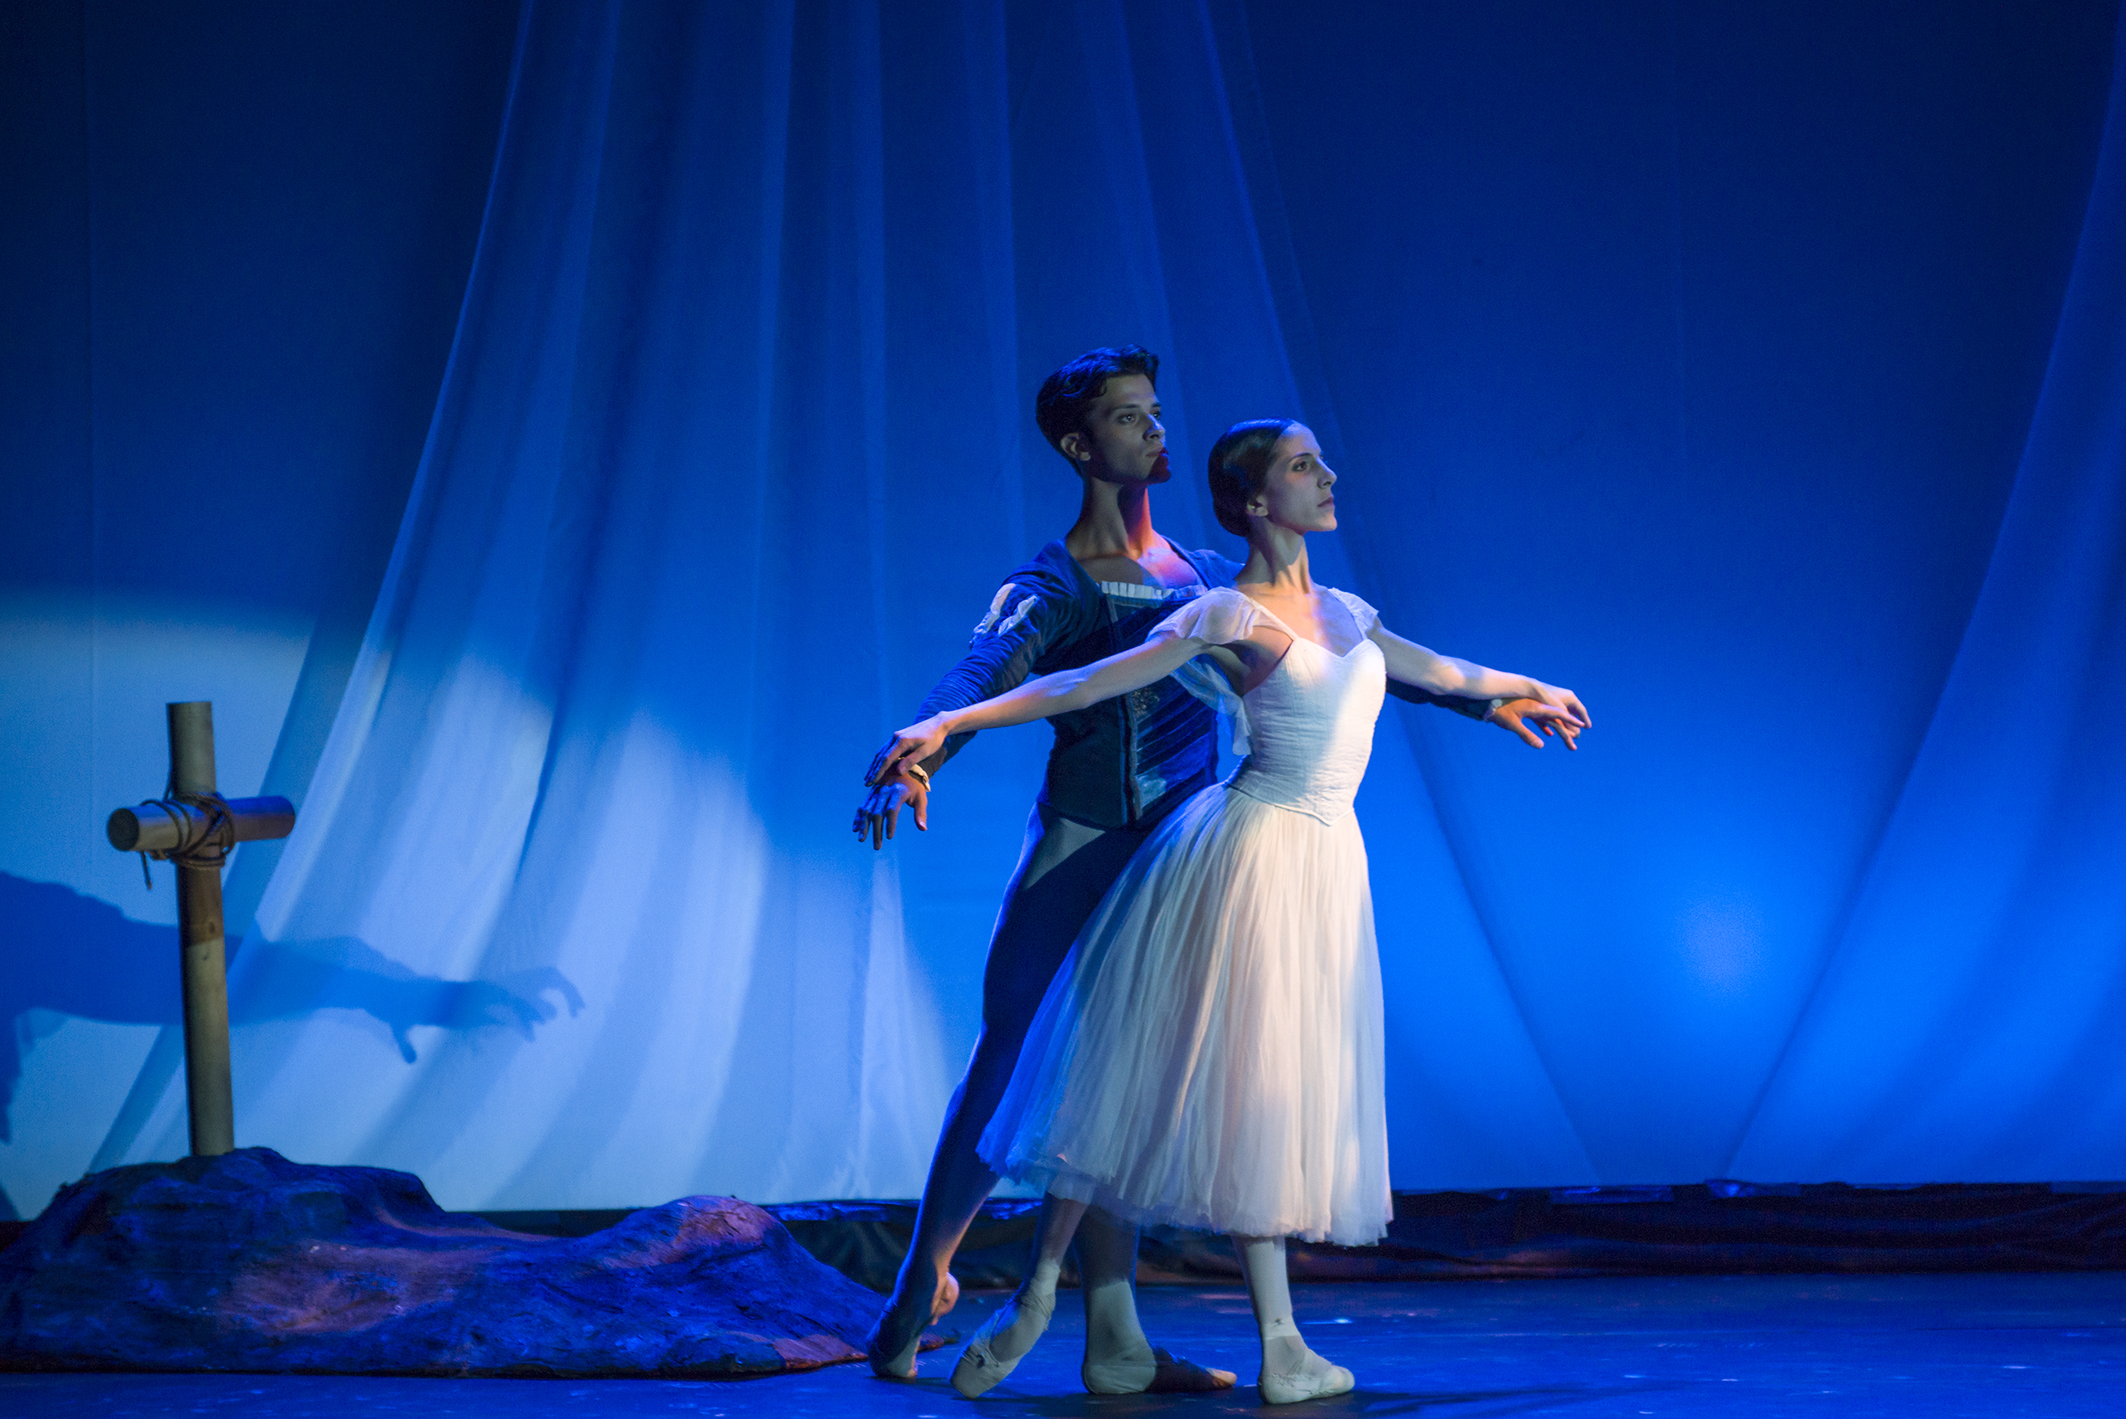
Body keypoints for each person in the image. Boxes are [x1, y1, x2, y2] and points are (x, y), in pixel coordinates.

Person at [852, 349, 1577, 1390]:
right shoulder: (1056, 585)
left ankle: (1112, 1333)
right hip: (1092, 836)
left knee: (1131, 1069)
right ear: (1078, 446)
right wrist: (928, 741)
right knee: (1025, 1053)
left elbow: (1354, 662)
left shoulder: (1201, 575)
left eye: (1155, 412)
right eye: (1128, 417)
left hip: (1193, 839)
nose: (1155, 429)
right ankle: (928, 1273)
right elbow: (1006, 675)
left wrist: (1490, 695)